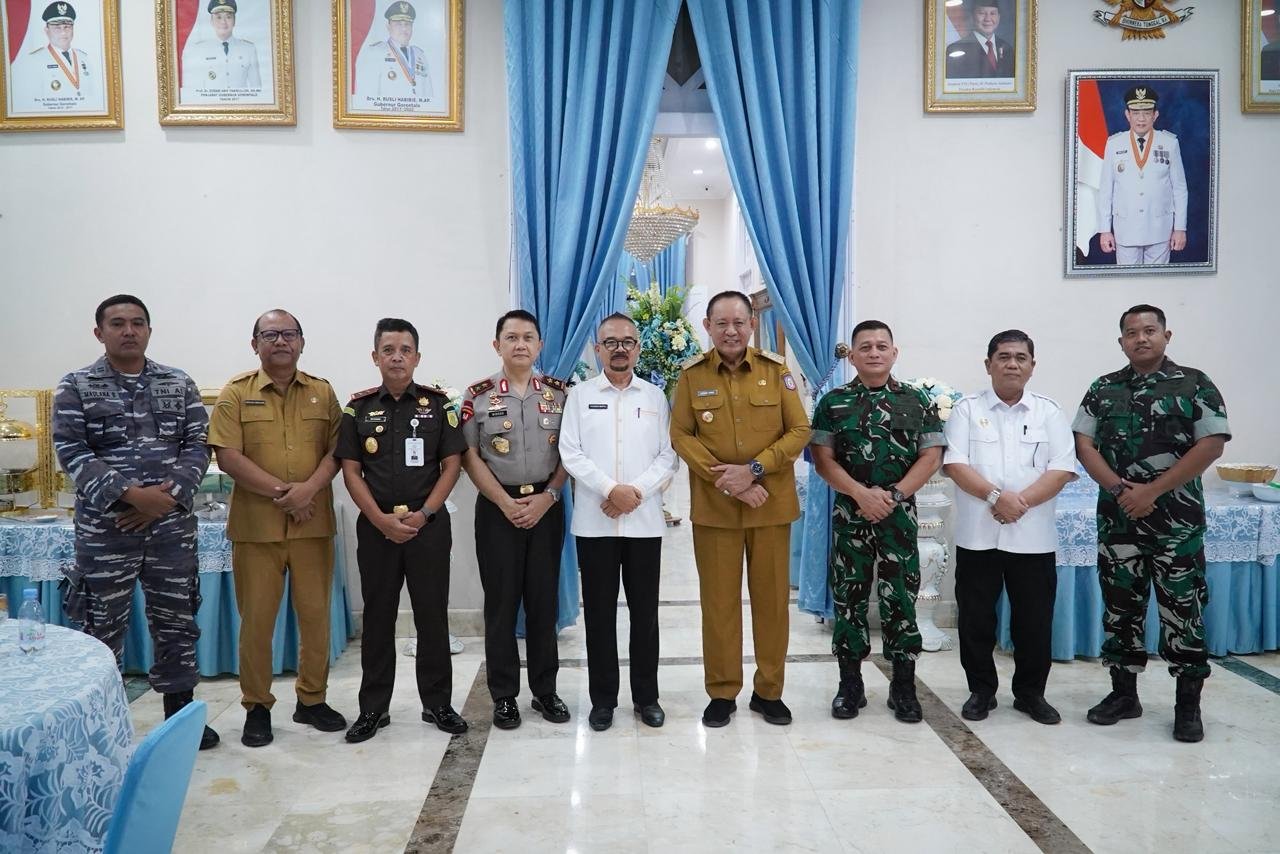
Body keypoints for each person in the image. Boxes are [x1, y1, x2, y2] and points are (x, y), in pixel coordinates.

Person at [53, 295, 218, 749]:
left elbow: (198, 445)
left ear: (149, 329)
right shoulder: (77, 386)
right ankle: (101, 728)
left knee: (177, 622)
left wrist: (166, 499)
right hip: (108, 531)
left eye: (138, 323)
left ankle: (181, 721)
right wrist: (130, 496)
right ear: (99, 332)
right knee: (101, 628)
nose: (129, 331)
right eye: (118, 323)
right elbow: (71, 451)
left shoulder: (178, 383)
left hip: (169, 530)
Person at [1073, 305, 1229, 743]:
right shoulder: (1103, 388)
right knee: (1120, 608)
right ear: (1120, 340)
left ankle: (1187, 707)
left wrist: (1152, 491)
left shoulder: (1195, 383)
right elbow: (1083, 443)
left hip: (1175, 524)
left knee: (1183, 611)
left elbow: (1212, 443)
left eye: (1150, 331)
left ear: (1167, 335)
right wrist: (1122, 491)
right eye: (1131, 332)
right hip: (1118, 522)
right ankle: (1124, 695)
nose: (1141, 338)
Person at [669, 291, 810, 728]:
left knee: (771, 604)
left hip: (770, 506)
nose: (730, 331)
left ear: (752, 325)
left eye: (739, 322)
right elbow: (681, 436)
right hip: (715, 510)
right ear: (708, 327)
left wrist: (753, 470)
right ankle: (723, 692)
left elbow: (799, 429)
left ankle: (769, 692)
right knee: (719, 604)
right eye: (721, 323)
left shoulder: (776, 371)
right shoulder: (691, 376)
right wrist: (726, 480)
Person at [207, 310, 346, 748]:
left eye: (288, 334)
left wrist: (309, 491)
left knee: (315, 619)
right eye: (270, 334)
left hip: (312, 528)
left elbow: (339, 452)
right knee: (257, 623)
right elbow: (227, 456)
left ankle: (311, 699)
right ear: (255, 344)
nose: (280, 341)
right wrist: (288, 494)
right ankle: (257, 707)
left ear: (302, 342)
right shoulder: (236, 393)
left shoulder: (322, 393)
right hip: (257, 530)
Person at [336, 318, 468, 741]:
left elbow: (453, 466)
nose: (397, 357)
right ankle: (373, 709)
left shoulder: (439, 405)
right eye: (388, 349)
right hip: (377, 529)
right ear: (375, 357)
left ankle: (438, 704)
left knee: (432, 617)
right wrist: (378, 518)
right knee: (378, 619)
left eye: (405, 349)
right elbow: (350, 471)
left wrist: (425, 514)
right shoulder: (356, 409)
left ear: (417, 357)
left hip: (427, 527)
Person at [810, 321, 943, 725]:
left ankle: (903, 687)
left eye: (881, 346)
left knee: (900, 600)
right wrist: (860, 494)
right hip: (851, 517)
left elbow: (931, 456)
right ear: (852, 355)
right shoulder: (832, 403)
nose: (873, 352)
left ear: (894, 353)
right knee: (848, 600)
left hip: (898, 519)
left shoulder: (917, 401)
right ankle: (849, 686)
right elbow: (822, 460)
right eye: (864, 346)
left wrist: (895, 494)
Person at [942, 330, 1076, 726]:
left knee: (1034, 621)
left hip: (1032, 536)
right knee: (976, 618)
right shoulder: (966, 410)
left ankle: (1031, 694)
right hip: (978, 536)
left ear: (1032, 366)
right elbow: (955, 464)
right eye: (1003, 357)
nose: (1012, 364)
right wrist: (995, 497)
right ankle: (981, 691)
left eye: (1021, 357)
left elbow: (1062, 468)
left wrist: (1019, 503)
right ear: (988, 365)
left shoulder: (1048, 412)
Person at [558, 313, 678, 732]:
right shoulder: (579, 395)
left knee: (645, 615)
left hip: (644, 524)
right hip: (596, 524)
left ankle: (647, 697)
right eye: (611, 342)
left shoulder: (655, 397)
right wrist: (611, 489)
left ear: (638, 348)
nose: (620, 348)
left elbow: (669, 455)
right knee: (600, 616)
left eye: (628, 341)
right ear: (598, 349)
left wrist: (634, 493)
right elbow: (570, 452)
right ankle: (603, 699)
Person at [460, 310, 569, 730]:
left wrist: (549, 496)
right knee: (501, 607)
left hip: (546, 506)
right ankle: (504, 696)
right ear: (497, 345)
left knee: (544, 604)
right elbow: (469, 456)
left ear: (539, 345)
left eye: (528, 337)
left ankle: (546, 691)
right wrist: (505, 504)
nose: (520, 344)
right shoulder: (478, 395)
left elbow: (569, 455)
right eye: (511, 337)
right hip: (496, 510)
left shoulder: (561, 395)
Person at [1096, 86, 1189, 266]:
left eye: (1146, 113)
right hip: (1126, 230)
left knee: (1158, 285)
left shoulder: (1169, 143)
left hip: (1160, 230)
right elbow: (1106, 190)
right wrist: (1105, 230)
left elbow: (1179, 189)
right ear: (1127, 115)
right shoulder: (1114, 144)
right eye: (1136, 112)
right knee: (1127, 286)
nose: (1141, 119)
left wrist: (1180, 228)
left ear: (1155, 115)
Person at [11, 2, 103, 113]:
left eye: (67, 27)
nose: (63, 32)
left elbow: (93, 96)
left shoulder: (84, 58)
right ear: (47, 31)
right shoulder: (34, 62)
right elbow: (31, 103)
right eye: (57, 28)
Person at [353, 1, 434, 106]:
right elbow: (365, 99)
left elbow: (429, 97)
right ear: (388, 26)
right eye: (398, 24)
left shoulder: (420, 56)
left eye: (407, 24)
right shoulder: (375, 53)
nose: (404, 28)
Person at [180, 0, 262, 99]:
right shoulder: (199, 50)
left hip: (241, 107)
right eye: (218, 17)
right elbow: (194, 90)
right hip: (212, 108)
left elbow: (257, 89)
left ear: (234, 20)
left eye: (228, 17)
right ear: (211, 21)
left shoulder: (248, 49)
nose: (223, 22)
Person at [945, 2, 1015, 79]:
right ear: (972, 16)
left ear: (999, 17)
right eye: (982, 13)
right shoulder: (955, 49)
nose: (988, 19)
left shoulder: (1007, 49)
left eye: (992, 13)